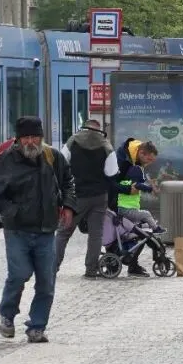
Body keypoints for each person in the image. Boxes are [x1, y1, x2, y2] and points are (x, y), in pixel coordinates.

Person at [0, 116, 77, 344]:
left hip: (46, 230)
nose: (30, 141)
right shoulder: (6, 161)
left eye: (35, 137)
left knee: (47, 281)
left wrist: (68, 206)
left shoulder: (52, 156)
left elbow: (68, 182)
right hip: (17, 230)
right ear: (18, 139)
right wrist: (14, 212)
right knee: (19, 274)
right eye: (25, 137)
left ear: (41, 137)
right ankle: (7, 315)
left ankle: (37, 327)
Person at [54, 118, 118, 278]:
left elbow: (60, 162)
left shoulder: (72, 141)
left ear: (84, 128)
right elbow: (111, 172)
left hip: (76, 196)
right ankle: (91, 270)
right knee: (96, 234)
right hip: (99, 196)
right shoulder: (106, 145)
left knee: (63, 232)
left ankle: (52, 267)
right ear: (99, 129)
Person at [114, 140, 164, 278]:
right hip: (119, 207)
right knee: (141, 231)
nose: (150, 163)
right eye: (149, 159)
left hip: (125, 208)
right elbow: (115, 183)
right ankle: (123, 263)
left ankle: (133, 263)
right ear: (141, 153)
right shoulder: (124, 162)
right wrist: (147, 189)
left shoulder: (135, 163)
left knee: (142, 232)